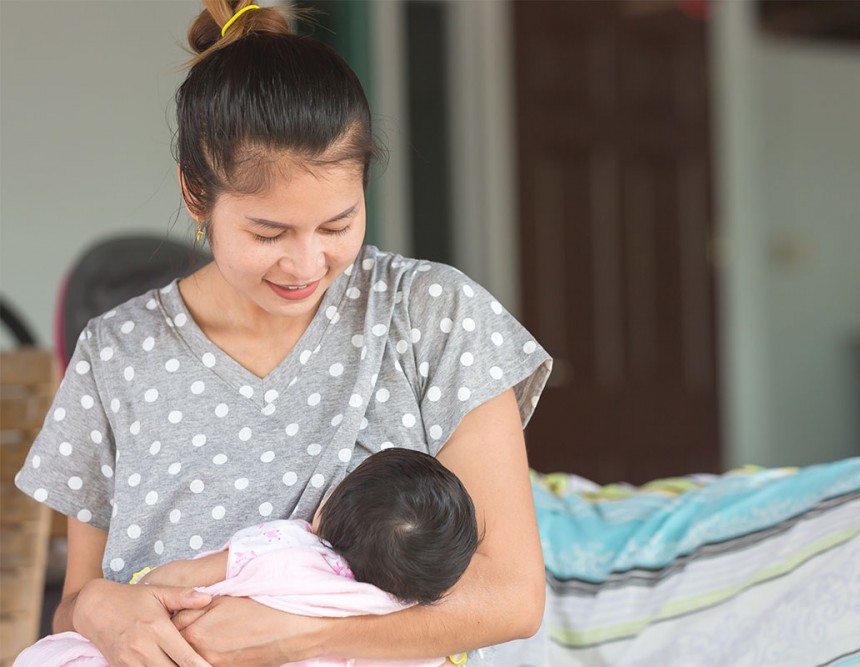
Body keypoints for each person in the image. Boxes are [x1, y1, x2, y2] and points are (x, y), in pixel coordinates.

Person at [13, 1, 551, 665]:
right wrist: (96, 606)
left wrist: (302, 634)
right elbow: (75, 600)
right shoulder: (115, 354)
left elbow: (514, 597)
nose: (305, 265)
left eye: (337, 225)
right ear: (195, 195)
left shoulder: (431, 314)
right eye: (268, 233)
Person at [15, 448, 480, 667]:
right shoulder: (412, 635)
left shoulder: (288, 546)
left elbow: (181, 577)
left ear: (326, 512)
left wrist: (142, 584)